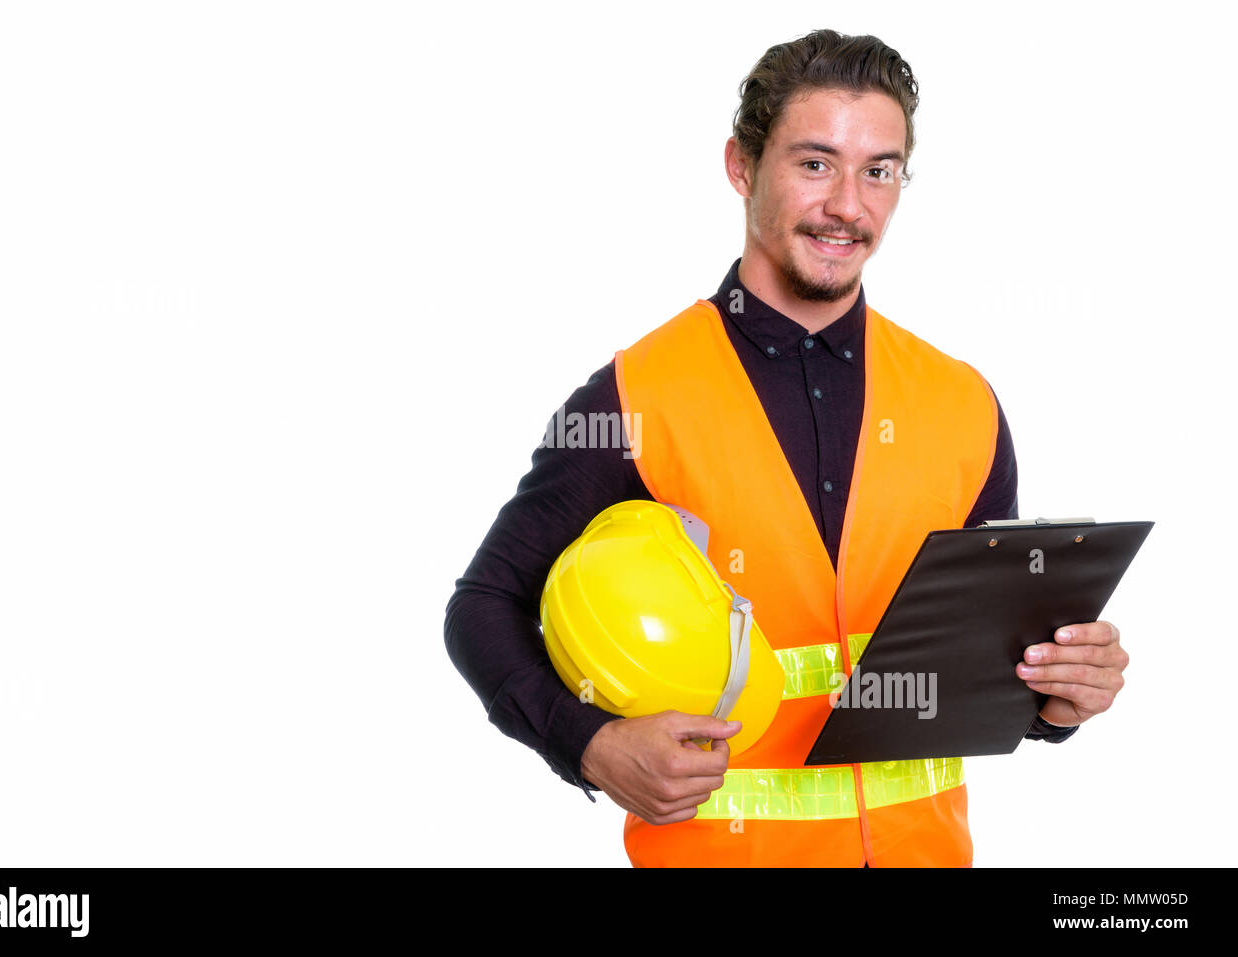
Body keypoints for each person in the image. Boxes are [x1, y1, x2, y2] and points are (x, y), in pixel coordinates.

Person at [444, 29, 1130, 867]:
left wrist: (1060, 695)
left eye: (879, 169)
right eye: (815, 163)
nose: (849, 203)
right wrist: (589, 744)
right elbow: (483, 605)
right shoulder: (633, 396)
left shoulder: (963, 403)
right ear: (742, 166)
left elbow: (979, 665)